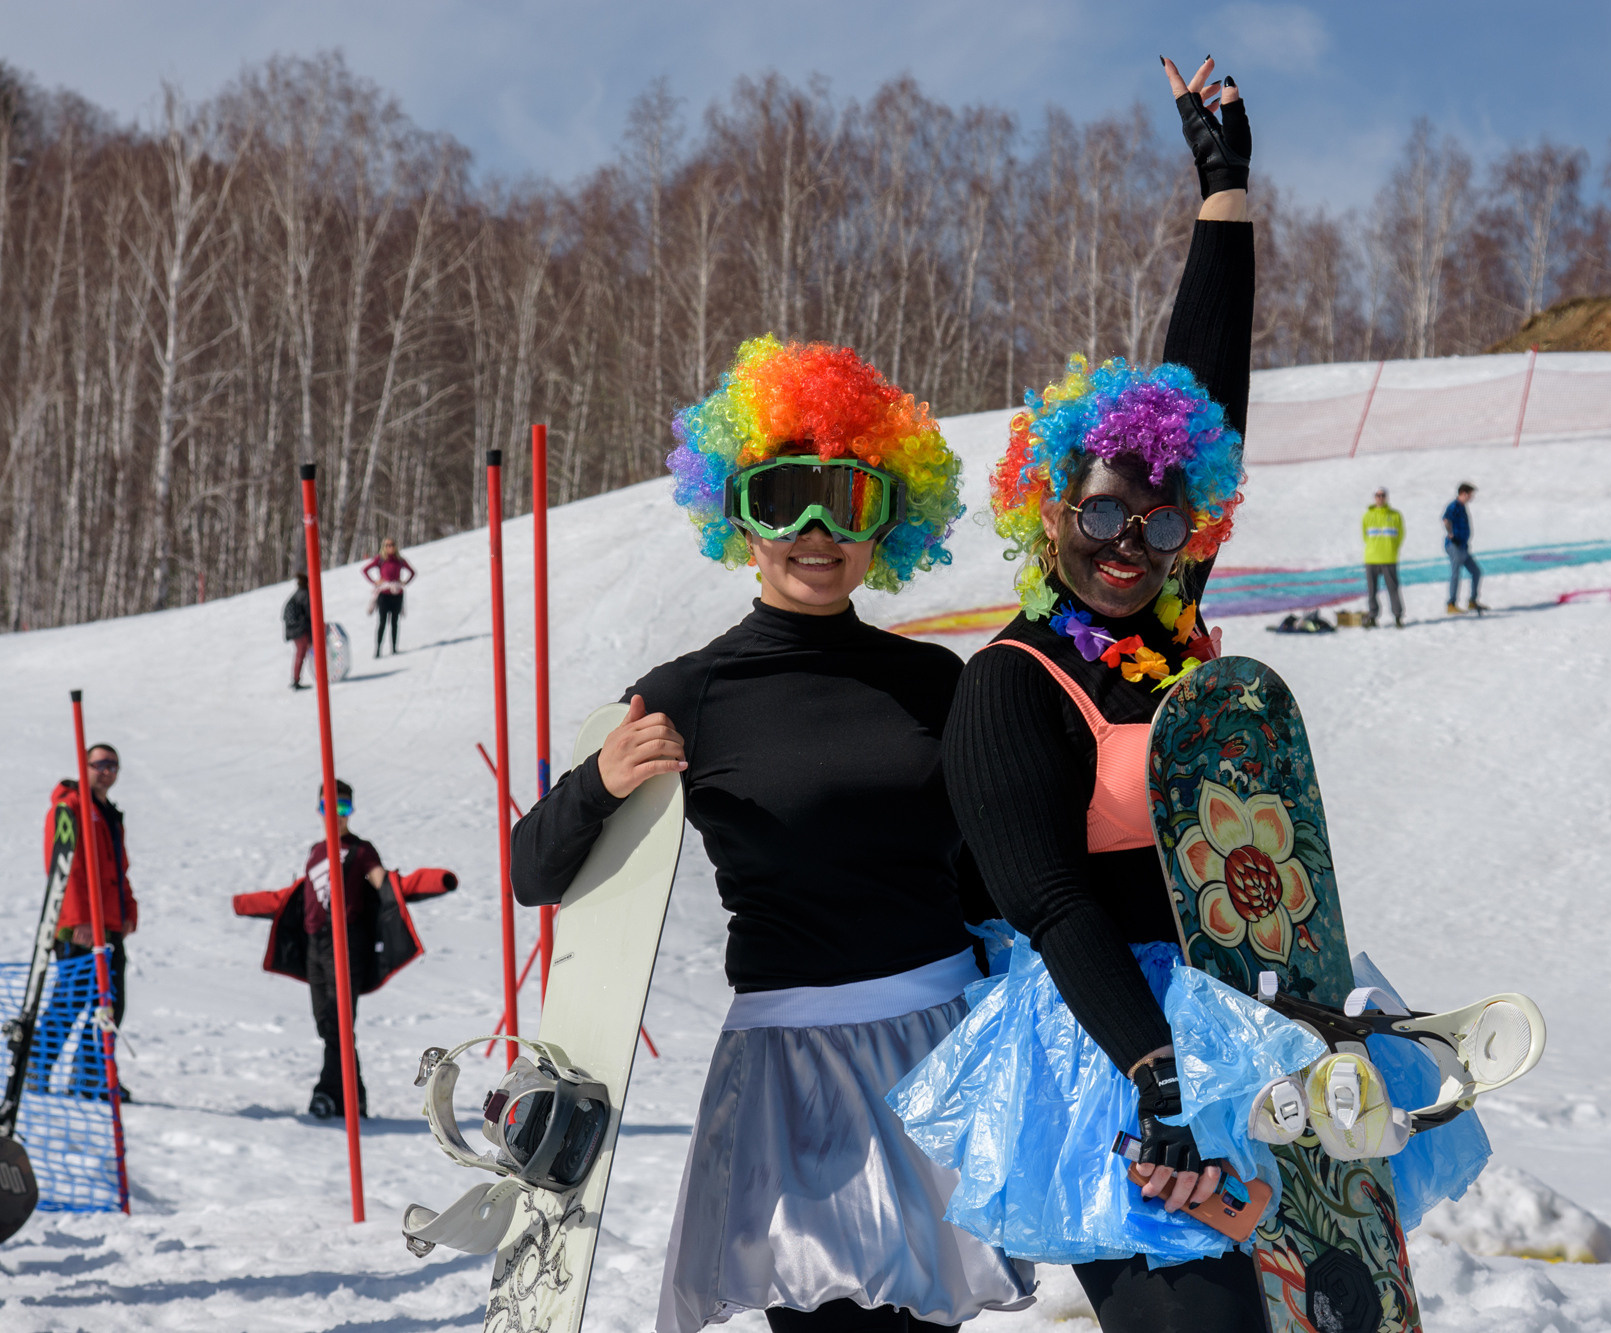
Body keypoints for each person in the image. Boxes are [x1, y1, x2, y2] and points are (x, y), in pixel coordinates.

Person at [511, 336, 1033, 1333]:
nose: (813, 527)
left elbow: (987, 876)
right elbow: (535, 870)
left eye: (847, 499)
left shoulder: (936, 684)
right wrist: (597, 782)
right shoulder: (688, 693)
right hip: (791, 1070)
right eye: (781, 494)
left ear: (889, 523)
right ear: (736, 517)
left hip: (938, 1045)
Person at [895, 55, 1294, 1333]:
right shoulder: (1008, 686)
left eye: (1159, 510)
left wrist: (1221, 191)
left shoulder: (1170, 623)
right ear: (1049, 513)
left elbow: (1207, 388)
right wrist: (1155, 1076)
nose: (1132, 538)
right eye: (1102, 509)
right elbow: (1054, 905)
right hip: (1107, 1054)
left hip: (1234, 1017)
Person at [41, 744, 139, 1099]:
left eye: (113, 765)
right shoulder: (71, 806)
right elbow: (65, 865)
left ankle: (91, 1074)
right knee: (70, 1001)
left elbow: (119, 869)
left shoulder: (108, 812)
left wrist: (129, 911)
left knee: (110, 1004)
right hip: (81, 926)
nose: (107, 771)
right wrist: (78, 918)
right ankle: (36, 1069)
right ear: (85, 766)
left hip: (110, 923)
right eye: (100, 764)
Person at [303, 779, 386, 1120]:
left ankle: (326, 1093)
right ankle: (355, 1095)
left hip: (346, 943)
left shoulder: (361, 849)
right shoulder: (316, 850)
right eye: (329, 807)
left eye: (343, 807)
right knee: (327, 1024)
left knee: (339, 1022)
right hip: (314, 944)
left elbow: (383, 885)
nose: (336, 815)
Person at [361, 538, 415, 657]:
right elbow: (364, 570)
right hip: (384, 594)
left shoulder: (400, 560)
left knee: (395, 622)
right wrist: (375, 582)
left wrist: (404, 582)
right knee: (382, 622)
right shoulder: (380, 559)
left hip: (397, 594)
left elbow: (412, 572)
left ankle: (394, 648)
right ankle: (378, 649)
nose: (390, 547)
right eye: (387, 545)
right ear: (384, 547)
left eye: (392, 545)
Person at [1363, 486, 1405, 627]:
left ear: (1386, 497)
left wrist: (1392, 549)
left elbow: (1400, 535)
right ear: (1374, 497)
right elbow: (1365, 535)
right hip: (1372, 558)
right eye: (1378, 495)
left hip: (1388, 558)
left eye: (1383, 495)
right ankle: (1373, 617)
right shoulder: (1367, 516)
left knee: (1393, 589)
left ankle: (1398, 616)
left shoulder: (1395, 515)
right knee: (1372, 590)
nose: (1380, 498)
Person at [1442, 482, 1482, 615]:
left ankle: (1472, 600)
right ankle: (1451, 603)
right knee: (1456, 574)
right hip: (1455, 546)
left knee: (1476, 571)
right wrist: (1451, 535)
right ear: (1463, 494)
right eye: (1470, 495)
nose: (1471, 497)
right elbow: (1446, 519)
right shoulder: (1454, 506)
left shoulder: (1462, 506)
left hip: (1463, 547)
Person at [283, 574, 312, 690]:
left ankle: (296, 679)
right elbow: (309, 614)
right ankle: (296, 680)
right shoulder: (304, 594)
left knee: (301, 653)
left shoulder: (297, 594)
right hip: (299, 629)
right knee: (302, 653)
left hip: (293, 629)